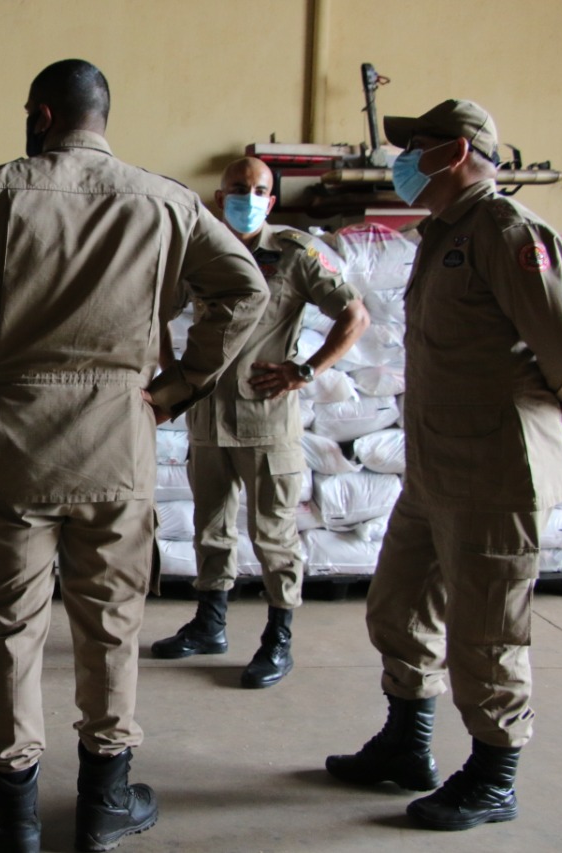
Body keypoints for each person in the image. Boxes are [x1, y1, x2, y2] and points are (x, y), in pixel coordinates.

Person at [0, 59, 268, 853]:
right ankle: (105, 801)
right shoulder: (165, 200)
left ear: (43, 114)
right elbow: (245, 290)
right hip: (117, 439)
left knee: (10, 625)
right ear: (101, 117)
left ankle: (15, 811)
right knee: (112, 623)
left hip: (14, 439)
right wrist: (178, 386)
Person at [325, 99, 562, 831]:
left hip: (497, 469)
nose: (400, 161)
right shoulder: (444, 234)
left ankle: (494, 776)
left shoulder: (505, 232)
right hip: (436, 466)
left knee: (487, 632)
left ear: (455, 152)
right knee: (399, 606)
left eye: (416, 148)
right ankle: (409, 743)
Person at [149, 157, 370, 688]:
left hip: (265, 419)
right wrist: (168, 369)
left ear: (271, 200)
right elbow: (157, 306)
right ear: (220, 197)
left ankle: (278, 638)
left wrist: (306, 370)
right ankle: (210, 624)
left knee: (272, 534)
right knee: (211, 527)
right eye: (237, 189)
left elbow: (355, 315)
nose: (248, 196)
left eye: (259, 189)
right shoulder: (199, 251)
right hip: (206, 415)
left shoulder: (295, 253)